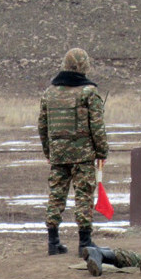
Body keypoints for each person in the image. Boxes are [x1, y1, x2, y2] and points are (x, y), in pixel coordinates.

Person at [38, 48, 109, 256]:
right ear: (84, 66)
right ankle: (85, 243)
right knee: (83, 196)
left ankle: (53, 242)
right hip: (83, 155)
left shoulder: (50, 93)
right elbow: (97, 126)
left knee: (56, 195)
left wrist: (49, 152)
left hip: (59, 154)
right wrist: (102, 151)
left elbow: (42, 126)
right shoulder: (89, 92)